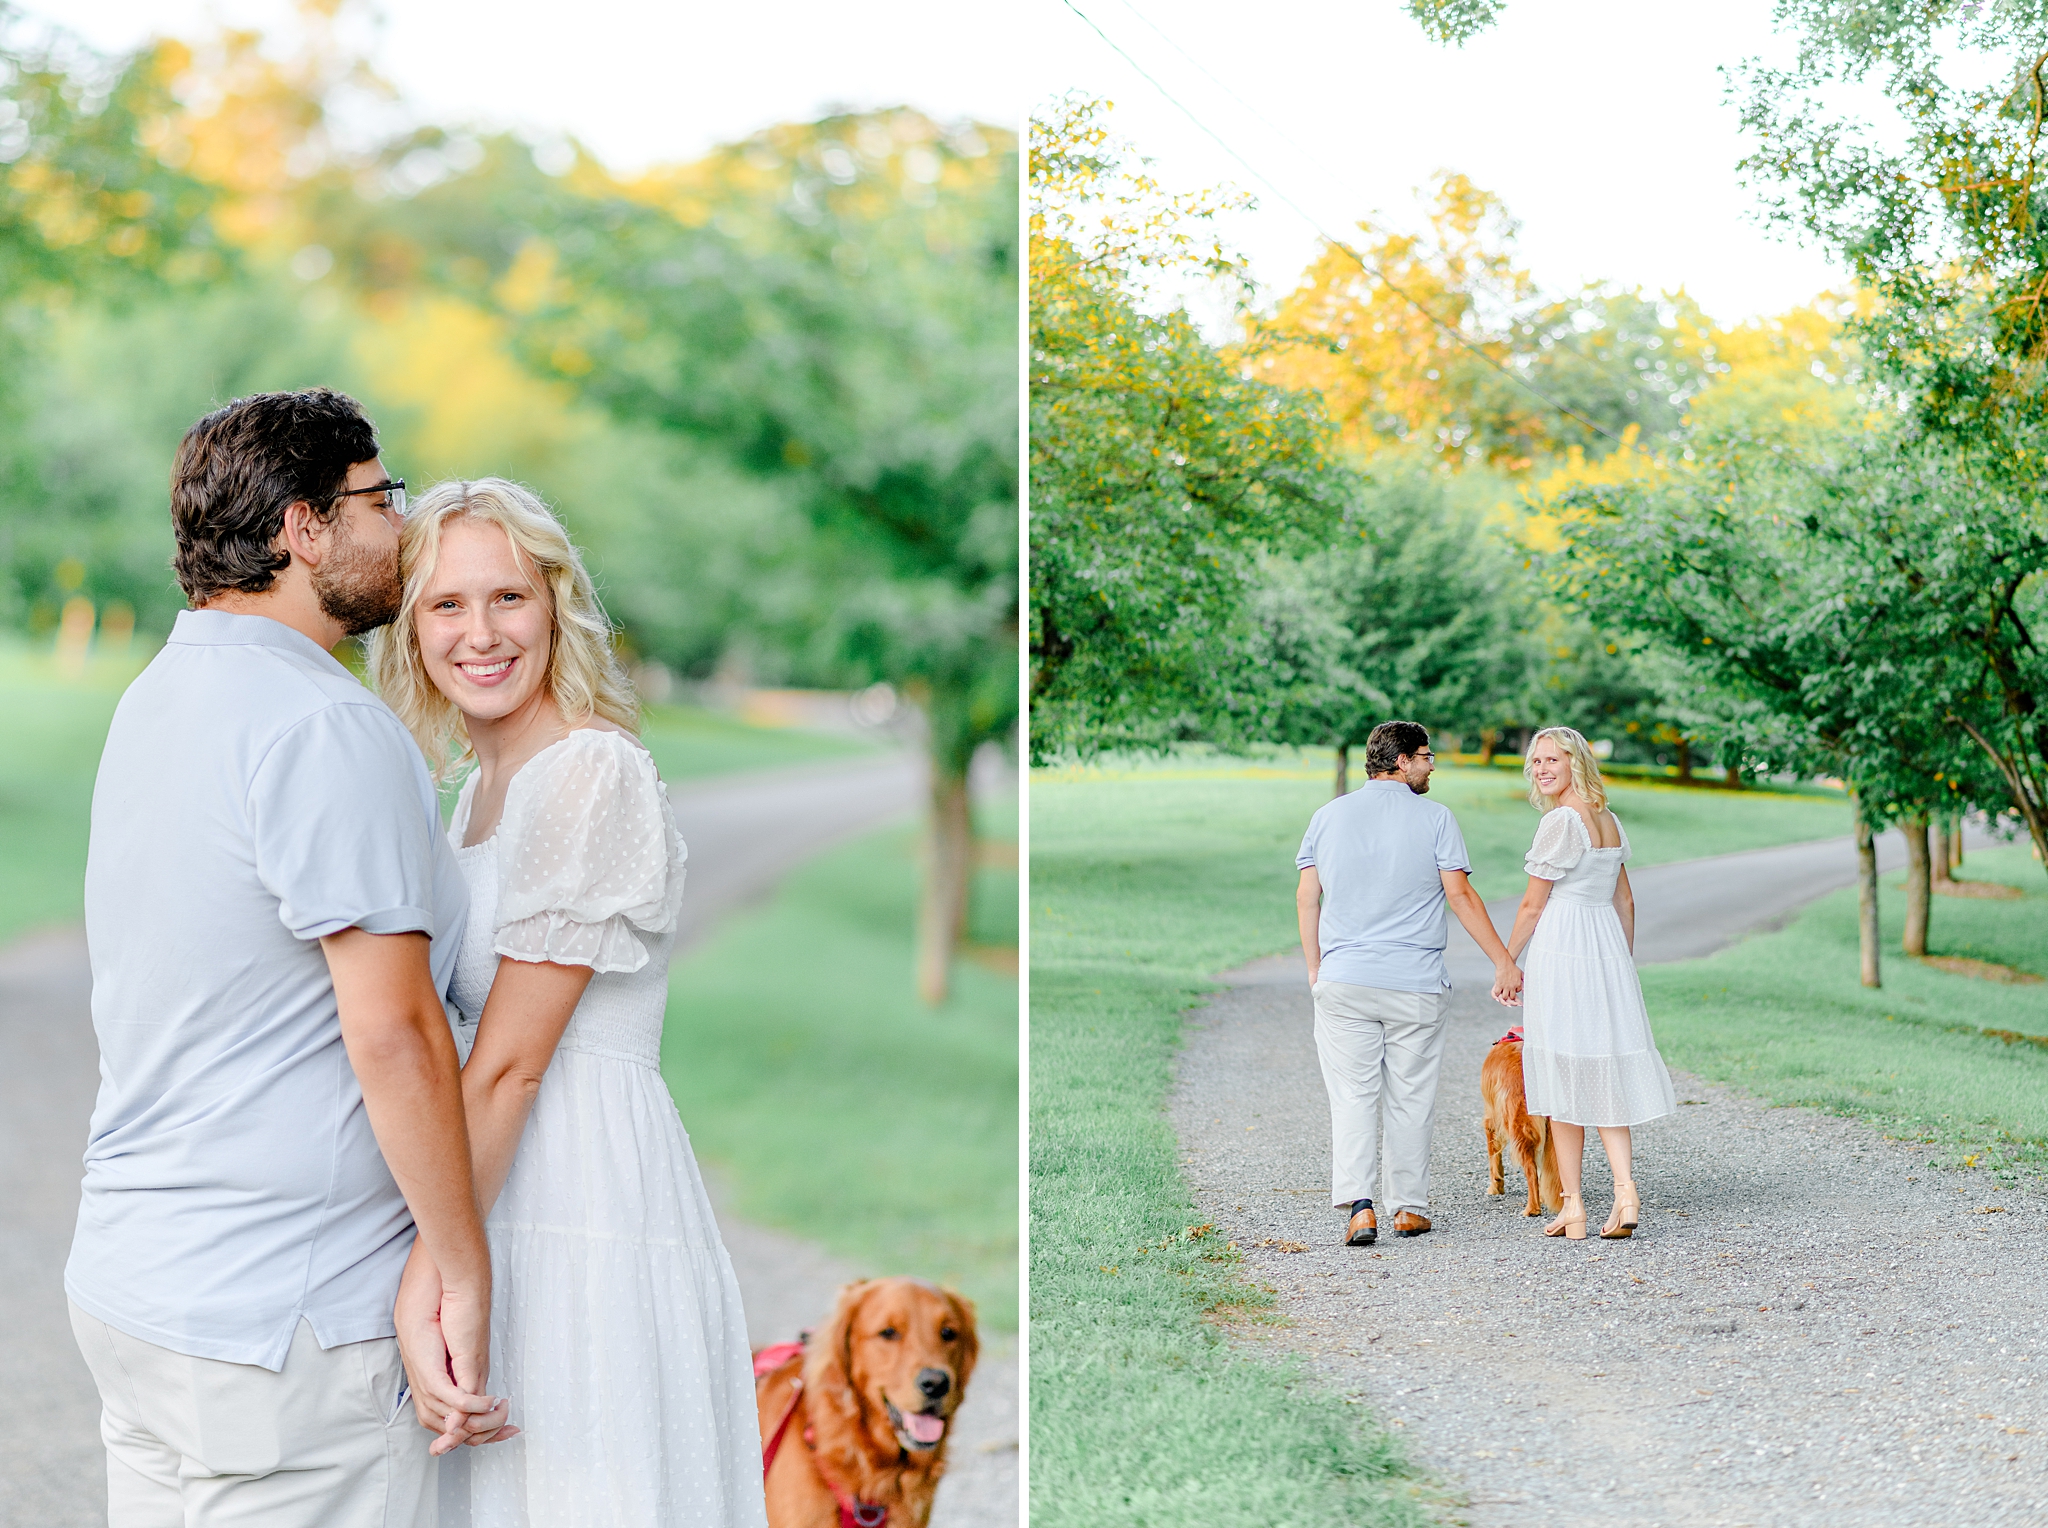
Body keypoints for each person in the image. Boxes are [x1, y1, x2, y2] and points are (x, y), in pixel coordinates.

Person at [67, 389, 501, 1528]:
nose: (396, 527)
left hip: (142, 1288)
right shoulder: (320, 723)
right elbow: (393, 1026)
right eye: (377, 499)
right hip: (282, 1329)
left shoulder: (159, 701)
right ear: (302, 529)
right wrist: (460, 1264)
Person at [369, 479, 766, 1528]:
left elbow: (510, 1063)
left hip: (585, 1193)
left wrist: (430, 1277)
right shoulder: (469, 796)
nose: (480, 633)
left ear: (555, 603)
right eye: (446, 605)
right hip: (493, 1189)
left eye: (508, 597)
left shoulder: (591, 770)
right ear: (410, 627)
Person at [1296, 719, 1523, 1248]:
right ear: (1400, 761)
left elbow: (1309, 896)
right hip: (1415, 983)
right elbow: (1460, 897)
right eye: (1425, 756)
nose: (1431, 766)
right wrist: (1503, 961)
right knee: (1410, 1095)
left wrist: (1315, 967)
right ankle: (1409, 1208)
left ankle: (1359, 1206)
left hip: (1344, 980)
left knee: (1351, 1095)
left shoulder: (1327, 816)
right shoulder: (1436, 818)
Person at [1504, 726, 1676, 1241]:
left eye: (1551, 759)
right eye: (1535, 762)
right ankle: (1624, 1190)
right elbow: (1624, 901)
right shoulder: (1608, 818)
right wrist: (1619, 960)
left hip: (1564, 946)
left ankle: (1574, 1206)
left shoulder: (1561, 822)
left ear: (1575, 761)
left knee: (1563, 1072)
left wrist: (1506, 961)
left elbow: (1534, 904)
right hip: (1603, 948)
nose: (1541, 769)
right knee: (1601, 1072)